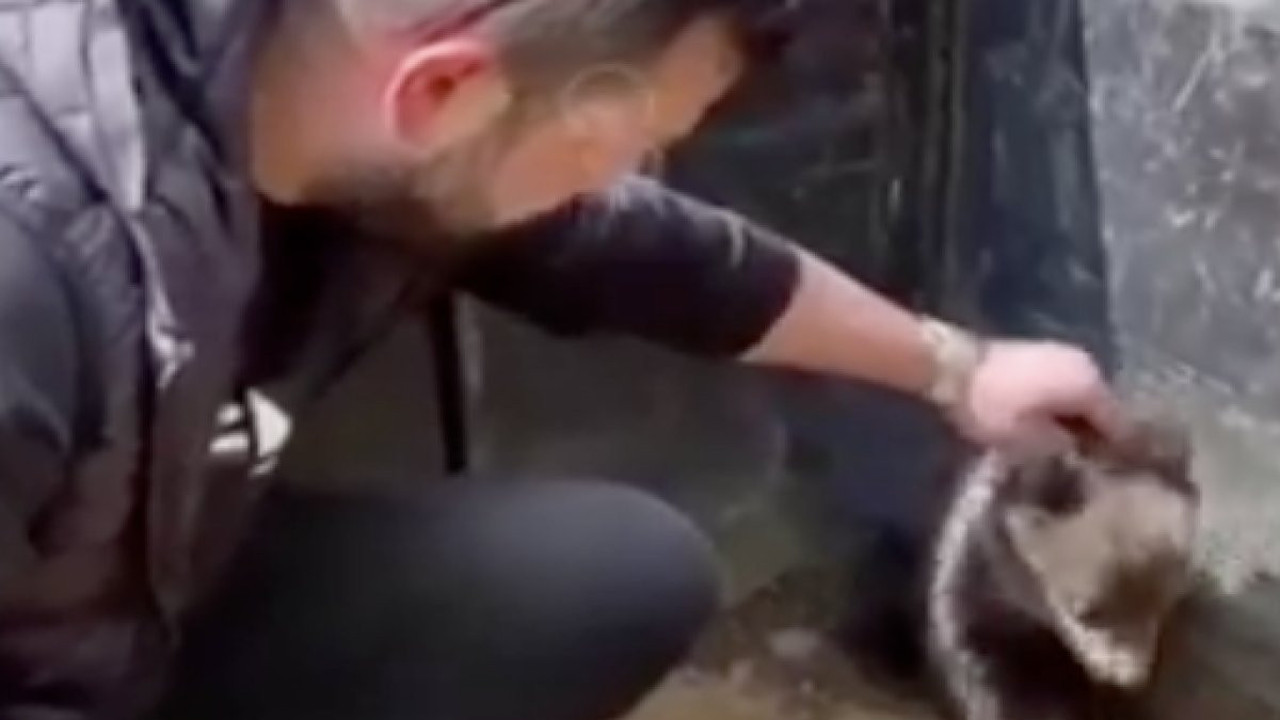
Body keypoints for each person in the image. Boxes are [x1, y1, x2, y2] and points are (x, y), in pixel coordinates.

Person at [0, 0, 1127, 718]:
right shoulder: (30, 280)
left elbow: (650, 255)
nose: (624, 183)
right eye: (611, 149)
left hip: (134, 594)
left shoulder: (334, 108)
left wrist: (958, 368)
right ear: (440, 90)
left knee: (607, 577)